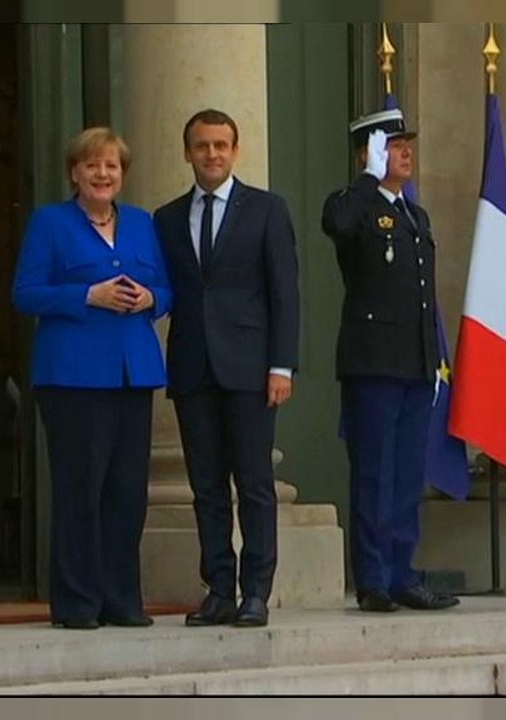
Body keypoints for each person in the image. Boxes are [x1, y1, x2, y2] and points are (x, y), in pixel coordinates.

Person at [12, 127, 172, 629]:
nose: (102, 174)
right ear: (74, 174)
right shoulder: (50, 223)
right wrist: (87, 296)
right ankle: (78, 603)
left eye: (111, 167)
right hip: (73, 378)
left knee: (127, 493)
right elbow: (26, 293)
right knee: (81, 489)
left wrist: (152, 300)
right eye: (92, 166)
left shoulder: (143, 224)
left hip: (133, 373)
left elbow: (167, 288)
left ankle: (122, 600)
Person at [153, 109, 299, 628]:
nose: (211, 154)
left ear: (235, 151)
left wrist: (282, 366)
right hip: (193, 368)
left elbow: (284, 293)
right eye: (201, 146)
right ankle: (218, 587)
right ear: (187, 151)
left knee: (255, 484)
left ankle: (256, 590)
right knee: (207, 487)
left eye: (220, 145)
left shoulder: (266, 209)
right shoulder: (166, 219)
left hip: (251, 369)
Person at [320, 108, 459, 613]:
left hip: (416, 364)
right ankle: (373, 578)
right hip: (373, 363)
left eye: (406, 145)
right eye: (393, 145)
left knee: (405, 476)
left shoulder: (413, 215)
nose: (405, 152)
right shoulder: (351, 205)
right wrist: (366, 179)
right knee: (374, 474)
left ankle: (402, 573)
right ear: (368, 153)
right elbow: (337, 224)